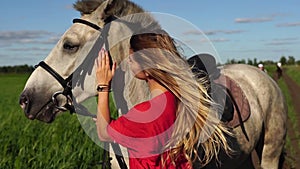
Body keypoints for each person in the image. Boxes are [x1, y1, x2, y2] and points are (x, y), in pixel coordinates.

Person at [94, 31, 232, 168]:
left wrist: (103, 85)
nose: (128, 63)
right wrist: (121, 124)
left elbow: (103, 133)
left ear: (147, 67)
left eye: (131, 59)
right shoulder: (178, 98)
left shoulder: (144, 114)